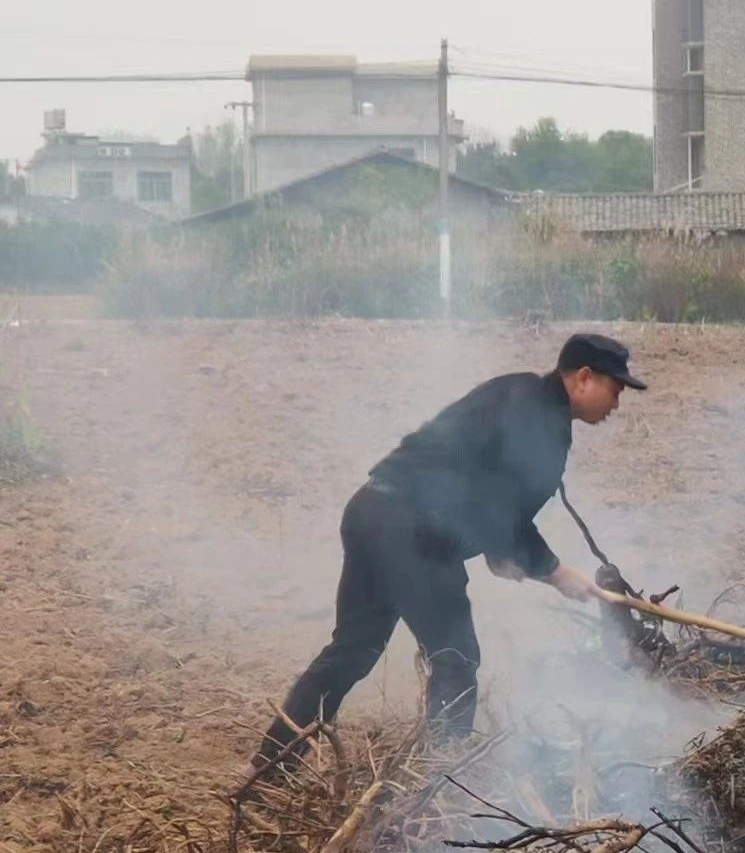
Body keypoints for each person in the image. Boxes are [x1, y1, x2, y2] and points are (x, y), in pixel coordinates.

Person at [246, 333, 645, 777]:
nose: (617, 402)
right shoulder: (542, 422)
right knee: (456, 658)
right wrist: (554, 570)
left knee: (353, 650)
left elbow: (478, 480)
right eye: (616, 388)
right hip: (414, 532)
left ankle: (268, 769)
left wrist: (500, 551)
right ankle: (439, 787)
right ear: (584, 377)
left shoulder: (519, 394)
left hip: (372, 510)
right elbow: (498, 507)